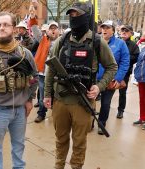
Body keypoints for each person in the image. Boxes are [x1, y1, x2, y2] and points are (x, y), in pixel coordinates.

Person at [44, 2, 117, 169]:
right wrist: (47, 94)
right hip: (60, 100)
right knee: (60, 139)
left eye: (78, 15)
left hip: (83, 102)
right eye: (71, 15)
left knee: (79, 142)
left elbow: (112, 67)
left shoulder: (97, 41)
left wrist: (99, 86)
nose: (74, 18)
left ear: (86, 17)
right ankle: (59, 165)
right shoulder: (62, 41)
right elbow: (51, 69)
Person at [0, 11, 38, 169]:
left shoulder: (25, 54)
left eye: (6, 25)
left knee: (19, 147)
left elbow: (34, 77)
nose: (2, 28)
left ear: (14, 29)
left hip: (20, 110)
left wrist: (30, 99)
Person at [97, 20, 130, 134]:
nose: (104, 30)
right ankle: (89, 122)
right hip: (94, 79)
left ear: (113, 30)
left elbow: (125, 62)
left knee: (105, 104)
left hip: (109, 80)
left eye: (107, 28)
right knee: (89, 103)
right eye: (103, 28)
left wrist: (118, 78)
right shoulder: (96, 41)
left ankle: (101, 124)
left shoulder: (120, 44)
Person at [29, 5, 60, 122]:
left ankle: (57, 113)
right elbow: (35, 29)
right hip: (42, 74)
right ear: (47, 30)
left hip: (56, 75)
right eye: (51, 28)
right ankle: (41, 113)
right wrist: (32, 16)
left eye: (55, 28)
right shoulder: (43, 39)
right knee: (42, 95)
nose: (53, 30)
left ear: (58, 30)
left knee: (57, 95)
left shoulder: (62, 42)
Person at [116, 25, 140, 118]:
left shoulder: (134, 45)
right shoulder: (116, 42)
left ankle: (120, 110)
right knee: (107, 92)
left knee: (122, 92)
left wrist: (124, 58)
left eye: (126, 30)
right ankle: (105, 110)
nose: (124, 32)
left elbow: (136, 57)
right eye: (122, 30)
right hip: (112, 71)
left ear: (131, 33)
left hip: (125, 72)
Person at [133, 47, 145, 129]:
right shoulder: (143, 48)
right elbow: (139, 63)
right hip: (141, 78)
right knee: (142, 100)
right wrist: (137, 77)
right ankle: (142, 118)